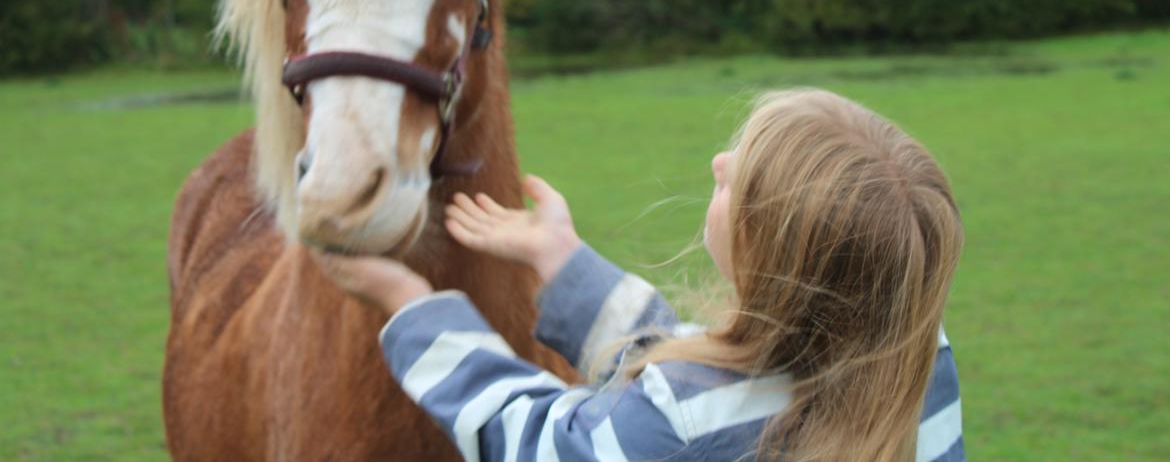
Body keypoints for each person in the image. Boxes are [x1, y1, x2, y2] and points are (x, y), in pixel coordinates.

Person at [315, 89, 965, 461]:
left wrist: (415, 306)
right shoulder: (916, 359)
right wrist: (565, 265)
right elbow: (732, 373)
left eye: (739, 181)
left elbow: (531, 437)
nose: (719, 161)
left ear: (760, 247)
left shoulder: (675, 422)